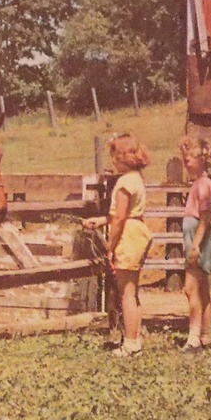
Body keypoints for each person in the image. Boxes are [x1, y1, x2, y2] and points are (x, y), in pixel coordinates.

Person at [84, 132, 154, 356]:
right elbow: (123, 214)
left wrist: (110, 247)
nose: (112, 161)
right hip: (138, 229)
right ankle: (135, 339)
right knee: (131, 291)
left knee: (126, 292)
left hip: (128, 235)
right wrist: (103, 220)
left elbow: (121, 218)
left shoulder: (124, 183)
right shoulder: (136, 178)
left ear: (122, 157)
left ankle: (131, 344)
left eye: (114, 156)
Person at [178, 135, 211, 352]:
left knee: (190, 288)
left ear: (202, 159)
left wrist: (195, 245)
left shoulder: (204, 185)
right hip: (195, 235)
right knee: (202, 289)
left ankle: (193, 337)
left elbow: (204, 218)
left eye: (189, 159)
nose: (186, 163)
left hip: (198, 237)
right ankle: (206, 334)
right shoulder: (201, 183)